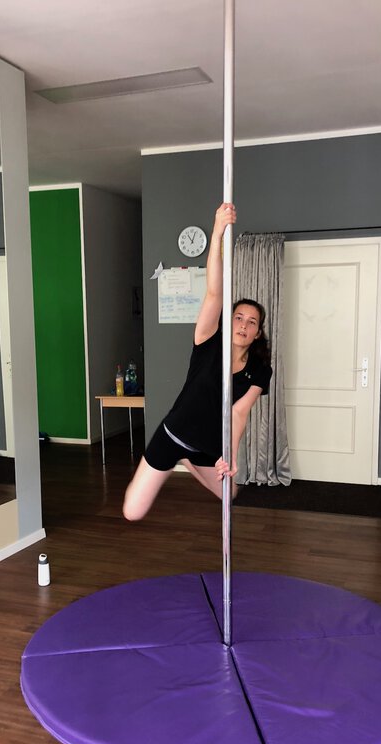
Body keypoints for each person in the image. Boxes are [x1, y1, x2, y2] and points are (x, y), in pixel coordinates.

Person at [123, 202, 272, 521]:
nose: (243, 325)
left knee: (230, 494)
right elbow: (215, 293)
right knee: (132, 513)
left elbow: (239, 413)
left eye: (252, 322)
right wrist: (217, 231)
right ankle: (180, 458)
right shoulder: (208, 341)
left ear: (258, 333)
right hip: (174, 433)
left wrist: (230, 455)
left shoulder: (260, 370)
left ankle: (190, 462)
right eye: (238, 317)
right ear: (229, 322)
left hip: (207, 445)